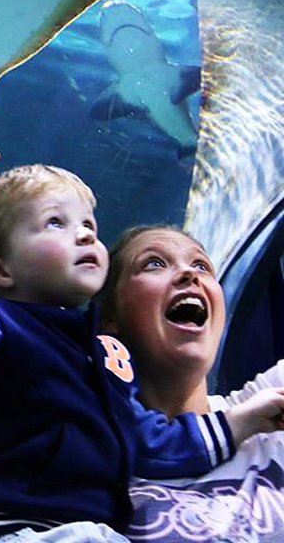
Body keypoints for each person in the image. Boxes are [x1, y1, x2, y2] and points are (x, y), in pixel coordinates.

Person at [0, 153, 284, 543]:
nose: (83, 235)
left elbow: (150, 441)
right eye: (55, 223)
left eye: (89, 227)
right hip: (19, 527)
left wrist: (241, 422)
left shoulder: (95, 353)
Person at [99, 224, 284, 542]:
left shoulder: (268, 405)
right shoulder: (83, 452)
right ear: (107, 320)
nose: (189, 274)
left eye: (201, 265)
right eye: (154, 263)